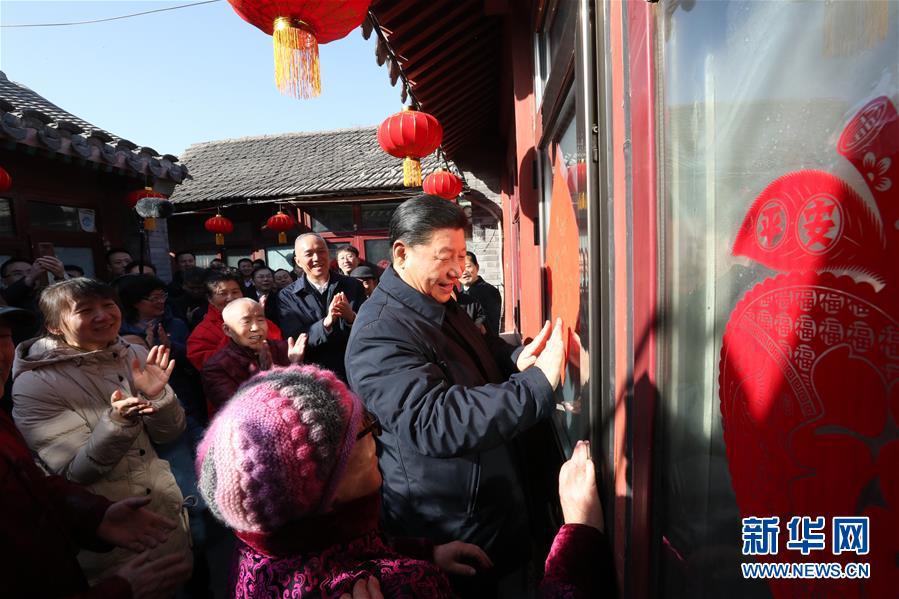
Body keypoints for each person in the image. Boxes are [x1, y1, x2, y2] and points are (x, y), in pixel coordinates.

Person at [197, 365, 609, 599]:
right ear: (330, 490)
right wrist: (578, 537)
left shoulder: (264, 553)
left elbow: (336, 550)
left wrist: (425, 552)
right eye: (362, 430)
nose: (375, 436)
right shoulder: (399, 588)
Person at [345, 195, 566, 595]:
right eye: (446, 256)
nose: (459, 269)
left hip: (494, 503)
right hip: (452, 524)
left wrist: (515, 359)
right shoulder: (380, 331)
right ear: (401, 254)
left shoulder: (437, 300)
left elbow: (475, 354)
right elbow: (434, 420)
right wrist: (536, 385)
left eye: (464, 255)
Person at [11, 278, 192, 586]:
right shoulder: (35, 383)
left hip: (162, 512)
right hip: (109, 533)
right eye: (85, 310)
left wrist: (159, 396)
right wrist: (117, 424)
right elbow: (74, 472)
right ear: (54, 326)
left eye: (108, 305)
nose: (103, 316)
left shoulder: (129, 352)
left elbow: (169, 434)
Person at [112, 274, 212, 596]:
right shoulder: (121, 340)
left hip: (177, 404)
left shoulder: (175, 323)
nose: (160, 302)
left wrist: (170, 347)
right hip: (137, 431)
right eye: (151, 298)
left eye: (162, 296)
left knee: (191, 500)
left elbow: (187, 361)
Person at [278, 234, 366, 381]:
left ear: (329, 255)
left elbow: (369, 328)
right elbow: (294, 339)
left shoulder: (353, 286)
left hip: (353, 369)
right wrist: (326, 322)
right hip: (313, 374)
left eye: (321, 251)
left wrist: (351, 317)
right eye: (309, 254)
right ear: (298, 261)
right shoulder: (288, 296)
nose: (317, 258)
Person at [201, 298, 306, 415]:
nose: (256, 328)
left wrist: (296, 367)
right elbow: (238, 412)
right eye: (246, 322)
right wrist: (265, 376)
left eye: (260, 320)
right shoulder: (216, 367)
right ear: (227, 330)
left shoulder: (285, 349)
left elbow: (305, 395)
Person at [187, 272, 282, 371]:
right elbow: (207, 366)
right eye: (223, 293)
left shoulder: (262, 322)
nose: (230, 298)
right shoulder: (202, 332)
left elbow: (280, 348)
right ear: (210, 299)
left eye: (235, 292)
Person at [459, 251, 502, 334]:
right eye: (460, 268)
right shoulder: (460, 293)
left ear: (477, 267)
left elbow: (489, 326)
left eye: (468, 266)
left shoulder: (489, 291)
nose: (464, 272)